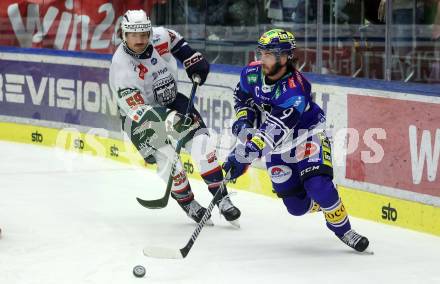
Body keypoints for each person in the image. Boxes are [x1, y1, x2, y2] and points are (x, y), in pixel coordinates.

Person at [222, 29, 370, 252]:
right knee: (296, 207)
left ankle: (344, 229)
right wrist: (244, 123)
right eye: (261, 53)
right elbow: (243, 100)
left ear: (284, 57)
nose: (262, 59)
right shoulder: (251, 73)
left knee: (318, 185)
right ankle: (326, 200)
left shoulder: (295, 89)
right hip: (277, 147)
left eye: (269, 54)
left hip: (306, 135)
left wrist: (245, 154)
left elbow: (274, 131)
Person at [109, 10, 240, 225]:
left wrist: (191, 59)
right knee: (170, 162)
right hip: (141, 119)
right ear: (124, 35)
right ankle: (189, 204)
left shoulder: (160, 36)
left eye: (144, 34)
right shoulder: (121, 67)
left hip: (172, 101)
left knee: (202, 145)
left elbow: (176, 41)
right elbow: (138, 111)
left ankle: (222, 199)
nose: (140, 40)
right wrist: (169, 120)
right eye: (133, 35)